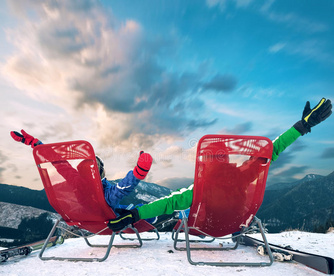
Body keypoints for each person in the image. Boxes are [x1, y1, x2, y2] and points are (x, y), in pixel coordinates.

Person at [107, 98, 332, 231]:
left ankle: (179, 219)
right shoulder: (242, 174)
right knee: (181, 205)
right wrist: (302, 126)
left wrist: (135, 215)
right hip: (234, 225)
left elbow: (167, 203)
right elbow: (271, 150)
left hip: (206, 227)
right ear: (225, 159)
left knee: (179, 208)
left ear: (205, 162)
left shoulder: (200, 188)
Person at [10, 129, 153, 219]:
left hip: (85, 219)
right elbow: (123, 188)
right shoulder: (105, 195)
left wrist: (35, 143)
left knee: (123, 208)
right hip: (106, 218)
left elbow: (59, 164)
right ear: (101, 173)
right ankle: (149, 215)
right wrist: (138, 171)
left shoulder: (76, 182)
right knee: (137, 209)